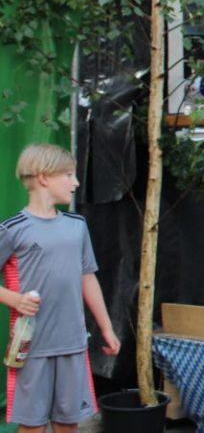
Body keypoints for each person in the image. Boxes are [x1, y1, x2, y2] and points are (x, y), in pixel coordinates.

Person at [1, 144, 120, 433]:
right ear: (44, 177)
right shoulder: (12, 229)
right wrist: (13, 299)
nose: (76, 183)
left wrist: (106, 327)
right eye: (68, 175)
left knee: (68, 423)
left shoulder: (76, 226)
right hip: (31, 347)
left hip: (73, 344)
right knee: (32, 426)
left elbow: (87, 278)